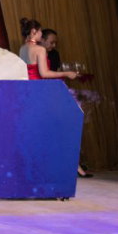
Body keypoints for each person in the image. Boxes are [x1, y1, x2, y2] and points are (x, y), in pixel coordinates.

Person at [20, 18, 89, 177]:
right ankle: (70, 166)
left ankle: (66, 167)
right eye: (40, 31)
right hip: (41, 92)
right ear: (34, 31)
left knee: (42, 131)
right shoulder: (39, 49)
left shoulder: (22, 49)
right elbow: (44, 73)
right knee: (57, 129)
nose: (41, 34)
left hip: (29, 93)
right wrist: (67, 73)